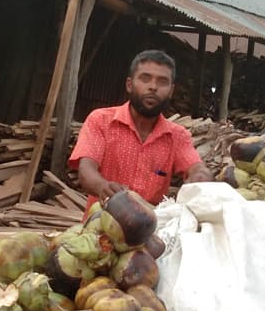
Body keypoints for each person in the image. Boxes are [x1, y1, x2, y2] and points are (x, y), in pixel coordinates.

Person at [69, 49, 212, 211]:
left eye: (162, 81)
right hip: (99, 227)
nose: (153, 87)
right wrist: (103, 187)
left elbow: (195, 166)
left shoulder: (177, 136)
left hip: (149, 230)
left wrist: (201, 174)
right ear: (129, 85)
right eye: (145, 79)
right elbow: (86, 169)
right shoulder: (101, 121)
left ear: (171, 91)